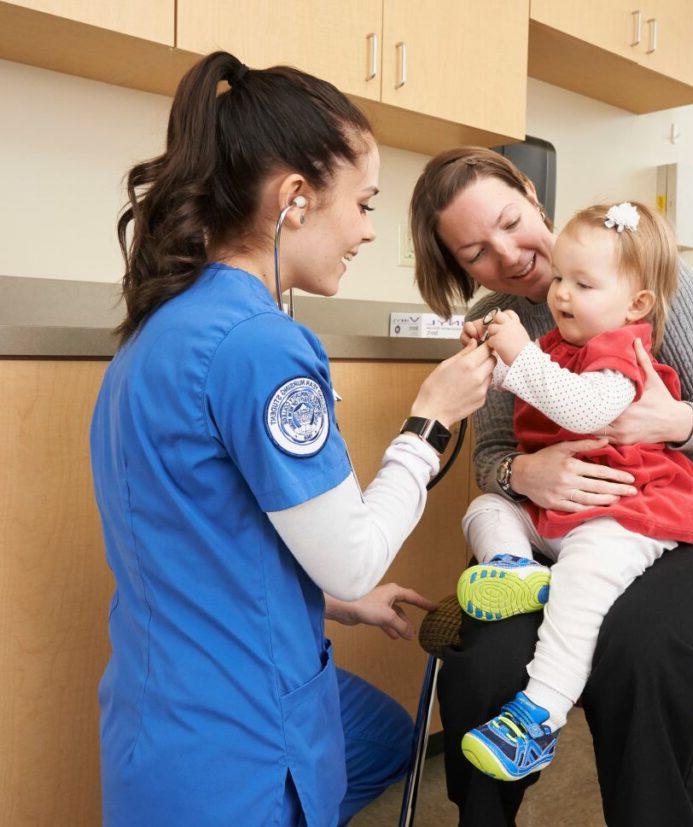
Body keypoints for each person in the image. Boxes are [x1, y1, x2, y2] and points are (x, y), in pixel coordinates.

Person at [89, 52, 494, 826]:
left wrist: (333, 602)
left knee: (381, 736)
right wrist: (430, 420)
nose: (371, 230)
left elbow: (206, 529)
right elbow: (352, 550)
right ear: (296, 199)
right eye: (366, 203)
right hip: (237, 740)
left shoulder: (155, 332)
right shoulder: (261, 346)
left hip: (159, 720)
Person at [410, 147, 693, 826]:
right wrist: (522, 471)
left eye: (512, 222)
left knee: (641, 643)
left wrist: (676, 418)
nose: (509, 255)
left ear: (532, 195)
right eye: (477, 252)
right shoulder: (498, 325)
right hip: (555, 535)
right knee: (483, 659)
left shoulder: (650, 277)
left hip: (686, 522)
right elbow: (488, 456)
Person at [455, 202, 693, 781]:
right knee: (488, 505)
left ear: (636, 304)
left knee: (581, 586)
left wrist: (520, 354)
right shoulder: (560, 346)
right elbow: (522, 390)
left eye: (584, 284)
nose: (561, 294)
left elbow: (580, 405)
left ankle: (538, 717)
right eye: (562, 279)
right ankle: (513, 568)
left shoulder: (623, 350)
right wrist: (490, 350)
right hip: (555, 510)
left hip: (625, 510)